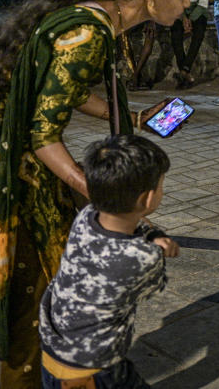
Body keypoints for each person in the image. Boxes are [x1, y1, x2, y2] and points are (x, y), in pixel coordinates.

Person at [0, 0, 195, 387]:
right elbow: (41, 131)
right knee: (34, 282)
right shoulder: (89, 34)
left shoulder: (95, 17)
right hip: (3, 161)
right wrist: (101, 192)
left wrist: (128, 117)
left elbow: (58, 88)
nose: (188, 4)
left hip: (10, 147)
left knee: (53, 271)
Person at [39, 135, 179, 389]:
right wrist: (158, 245)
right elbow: (152, 286)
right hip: (90, 370)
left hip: (55, 351)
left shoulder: (86, 215)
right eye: (160, 186)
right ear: (147, 199)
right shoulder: (143, 258)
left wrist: (152, 234)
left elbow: (129, 227)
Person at [170, 0, 210, 88]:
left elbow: (203, 3)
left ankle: (184, 70)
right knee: (175, 33)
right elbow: (175, 3)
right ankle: (185, 73)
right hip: (180, 13)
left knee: (199, 33)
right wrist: (183, 18)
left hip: (198, 13)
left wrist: (190, 20)